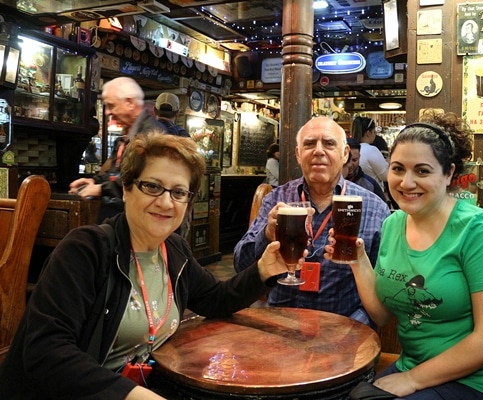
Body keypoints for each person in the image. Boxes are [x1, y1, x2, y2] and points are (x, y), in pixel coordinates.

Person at [0, 132, 290, 400]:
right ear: (126, 189)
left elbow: (216, 299)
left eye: (179, 192)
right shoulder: (86, 249)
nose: (165, 202)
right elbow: (45, 353)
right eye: (152, 186)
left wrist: (263, 269)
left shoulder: (173, 249)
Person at [327, 112, 483, 399]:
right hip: (414, 366)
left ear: (448, 174)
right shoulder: (393, 224)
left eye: (422, 171)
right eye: (397, 169)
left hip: (479, 380)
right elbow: (382, 316)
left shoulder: (480, 232)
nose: (406, 183)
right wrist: (357, 260)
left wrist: (413, 380)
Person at [234, 116, 390, 325]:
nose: (318, 151)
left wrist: (352, 328)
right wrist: (266, 236)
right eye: (309, 144)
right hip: (281, 326)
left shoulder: (373, 207)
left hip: (344, 328)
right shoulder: (277, 199)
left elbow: (382, 289)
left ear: (345, 154)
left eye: (329, 143)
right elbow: (240, 264)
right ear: (299, 155)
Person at [69, 77, 166, 223]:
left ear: (129, 103)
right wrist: (93, 181)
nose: (107, 112)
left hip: (139, 224)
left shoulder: (151, 134)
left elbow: (144, 180)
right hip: (120, 219)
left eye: (111, 105)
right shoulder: (129, 133)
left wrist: (100, 189)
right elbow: (115, 173)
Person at [343, 138, 387, 202]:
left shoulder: (370, 184)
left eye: (354, 160)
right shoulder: (330, 183)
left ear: (359, 157)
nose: (349, 164)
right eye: (347, 159)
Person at [351, 116, 389, 190]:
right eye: (374, 132)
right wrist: (388, 162)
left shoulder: (351, 149)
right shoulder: (371, 150)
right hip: (372, 192)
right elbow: (386, 176)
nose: (375, 135)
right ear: (368, 133)